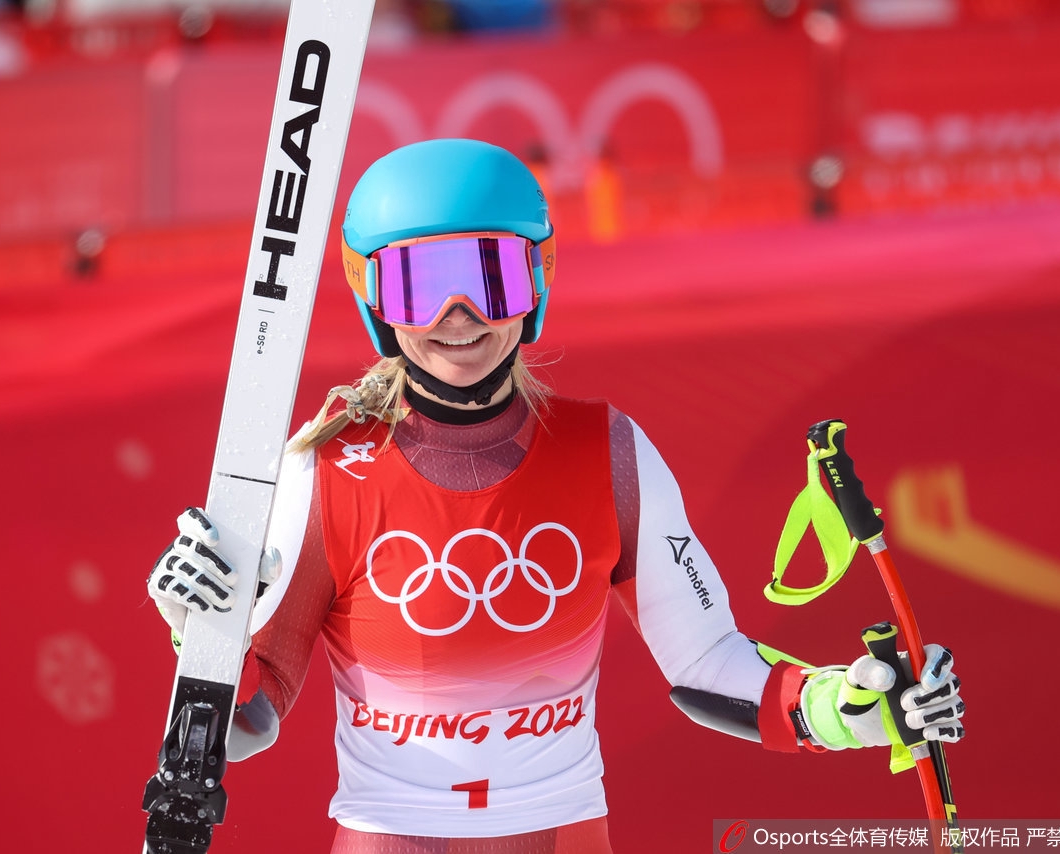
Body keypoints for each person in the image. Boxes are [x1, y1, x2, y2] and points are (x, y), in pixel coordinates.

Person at [147, 138, 965, 853]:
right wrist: (199, 634)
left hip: (562, 830)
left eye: (490, 277)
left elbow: (708, 663)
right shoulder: (329, 466)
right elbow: (248, 722)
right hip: (390, 832)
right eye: (421, 284)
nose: (459, 316)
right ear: (375, 301)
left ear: (535, 282)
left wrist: (846, 709)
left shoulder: (608, 452)